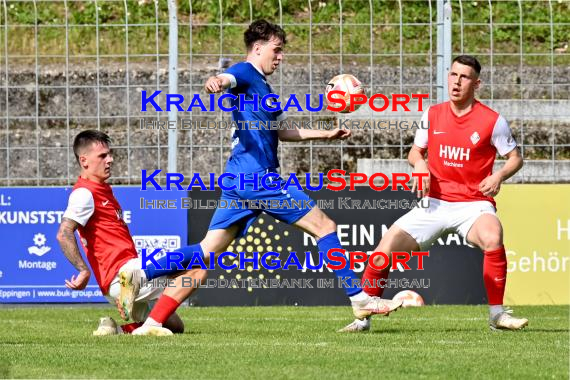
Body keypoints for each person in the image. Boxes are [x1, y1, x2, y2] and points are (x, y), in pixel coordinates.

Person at [118, 19, 402, 336]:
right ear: (258, 47)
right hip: (257, 179)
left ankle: (141, 281)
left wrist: (327, 133)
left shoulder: (264, 88)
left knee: (206, 251)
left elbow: (282, 130)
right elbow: (227, 78)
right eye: (276, 50)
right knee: (325, 226)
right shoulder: (246, 73)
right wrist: (215, 81)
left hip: (238, 179)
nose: (280, 57)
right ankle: (360, 299)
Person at [340, 55, 529, 332]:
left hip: (473, 204)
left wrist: (499, 175)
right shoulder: (433, 114)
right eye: (453, 75)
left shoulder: (492, 121)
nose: (456, 82)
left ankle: (497, 315)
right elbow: (415, 152)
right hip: (433, 203)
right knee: (383, 250)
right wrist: (420, 165)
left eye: (464, 77)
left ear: (476, 83)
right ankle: (362, 319)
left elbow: (515, 158)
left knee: (493, 236)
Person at [56, 130, 207, 336]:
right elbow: (64, 232)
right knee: (197, 269)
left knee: (175, 326)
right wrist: (83, 270)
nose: (110, 160)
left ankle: (115, 329)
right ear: (84, 160)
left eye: (110, 154)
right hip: (124, 274)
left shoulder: (102, 190)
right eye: (102, 156)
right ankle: (148, 322)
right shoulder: (84, 193)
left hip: (124, 280)